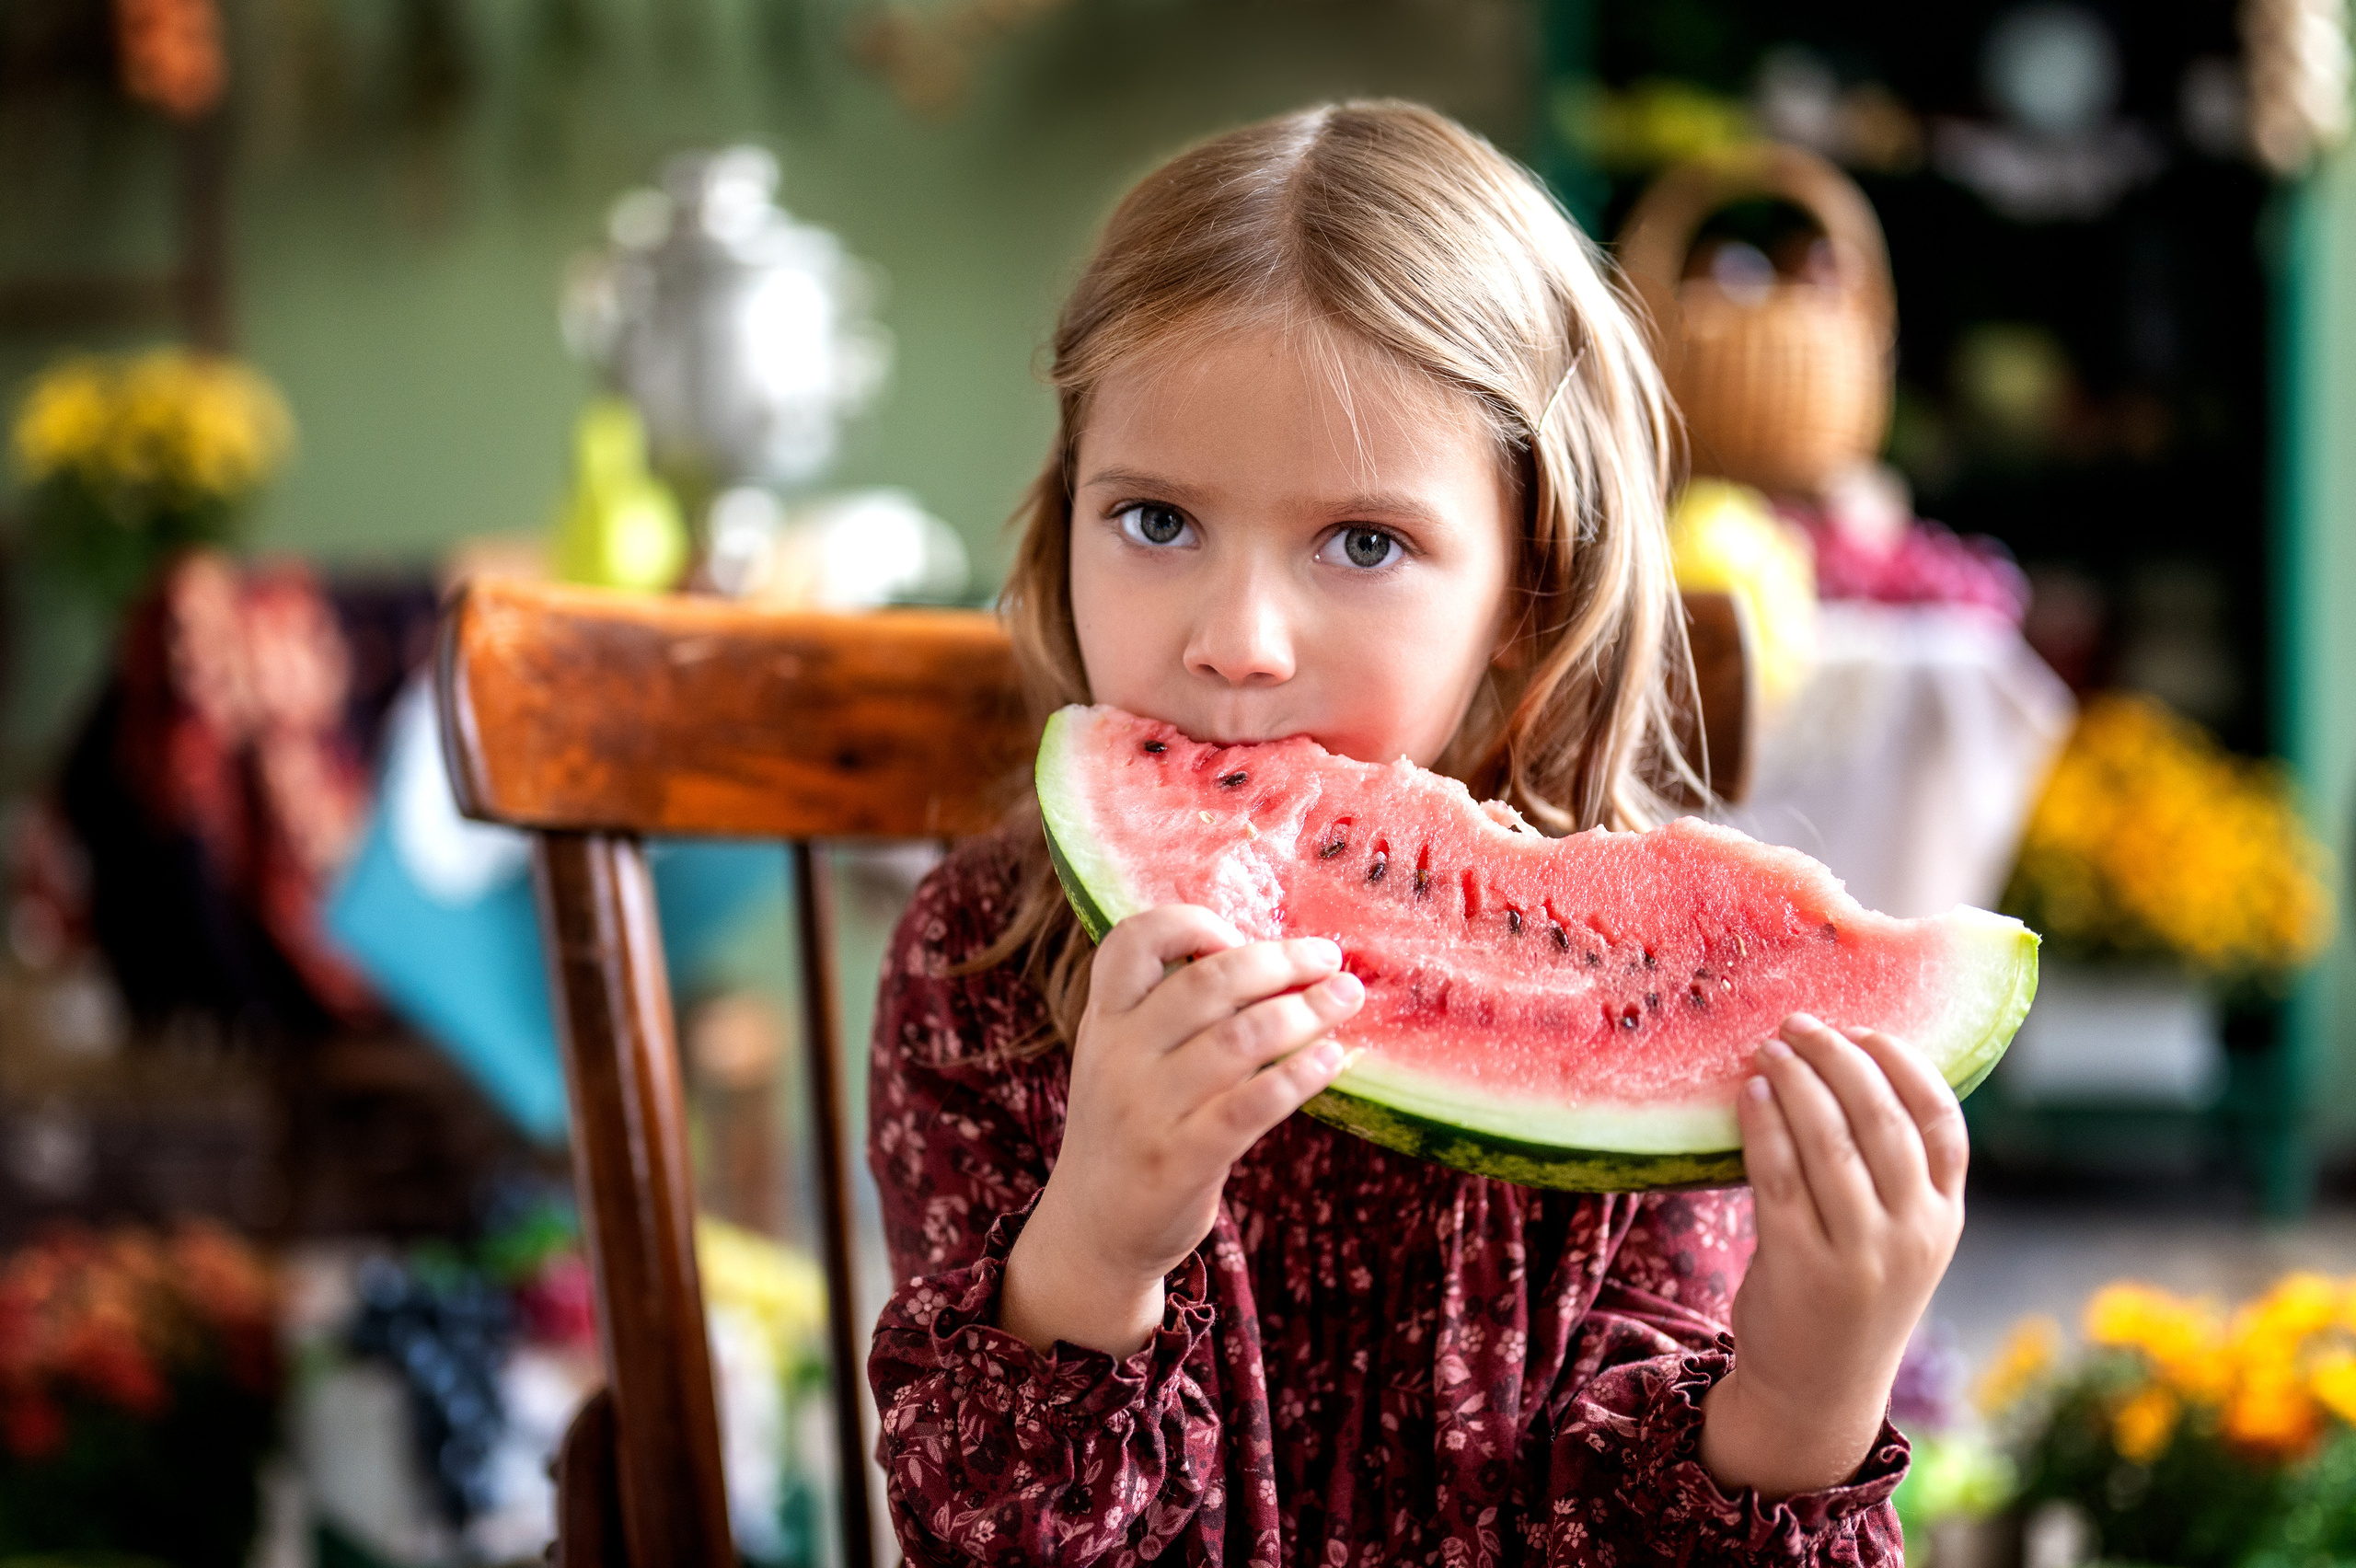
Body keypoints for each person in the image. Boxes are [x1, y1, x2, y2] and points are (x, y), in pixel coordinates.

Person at [866, 100, 1967, 1567]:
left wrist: (1808, 1388)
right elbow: (981, 1543)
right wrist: (1097, 1242)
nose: (1239, 640)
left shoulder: (1641, 1011)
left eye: (1364, 543)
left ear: (1529, 584)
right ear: (1066, 516)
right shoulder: (980, 970)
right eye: (1157, 521)